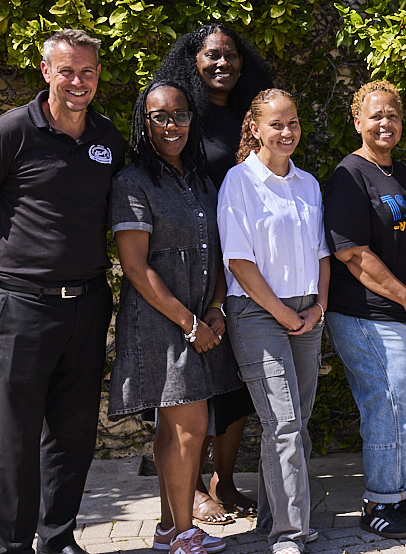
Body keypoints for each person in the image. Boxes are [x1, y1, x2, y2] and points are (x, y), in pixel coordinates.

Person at [0, 29, 125, 554]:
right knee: (19, 439)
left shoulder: (107, 137)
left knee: (73, 434)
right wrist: (6, 255)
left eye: (87, 72)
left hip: (89, 302)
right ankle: (10, 546)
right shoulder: (10, 131)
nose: (77, 81)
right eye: (66, 70)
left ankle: (58, 536)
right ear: (46, 72)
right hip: (25, 306)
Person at [108, 81, 240, 554]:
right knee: (188, 427)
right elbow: (136, 267)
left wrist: (216, 309)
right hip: (161, 321)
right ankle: (183, 533)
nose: (172, 125)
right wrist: (189, 323)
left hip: (202, 317)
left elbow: (224, 252)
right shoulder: (132, 181)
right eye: (160, 116)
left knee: (178, 427)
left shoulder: (201, 179)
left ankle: (171, 526)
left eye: (181, 115)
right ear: (144, 123)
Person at [152, 22, 274, 522]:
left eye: (231, 55)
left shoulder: (250, 118)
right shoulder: (184, 118)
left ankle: (226, 481)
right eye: (211, 56)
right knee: (190, 382)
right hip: (190, 264)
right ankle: (193, 486)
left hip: (245, 262)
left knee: (238, 380)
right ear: (192, 61)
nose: (222, 63)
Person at [324, 80, 406, 540]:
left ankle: (394, 491)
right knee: (390, 402)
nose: (385, 123)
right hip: (368, 312)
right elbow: (352, 253)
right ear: (357, 121)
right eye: (375, 115)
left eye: (392, 115)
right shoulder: (349, 176)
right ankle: (378, 502)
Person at [218, 89, 328, 554]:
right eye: (276, 124)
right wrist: (283, 313)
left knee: (296, 423)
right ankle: (290, 534)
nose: (287, 132)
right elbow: (239, 261)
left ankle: (276, 518)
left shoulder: (309, 184)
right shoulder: (238, 182)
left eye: (294, 123)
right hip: (258, 312)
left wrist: (318, 307)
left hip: (307, 309)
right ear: (255, 128)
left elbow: (324, 253)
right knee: (281, 422)